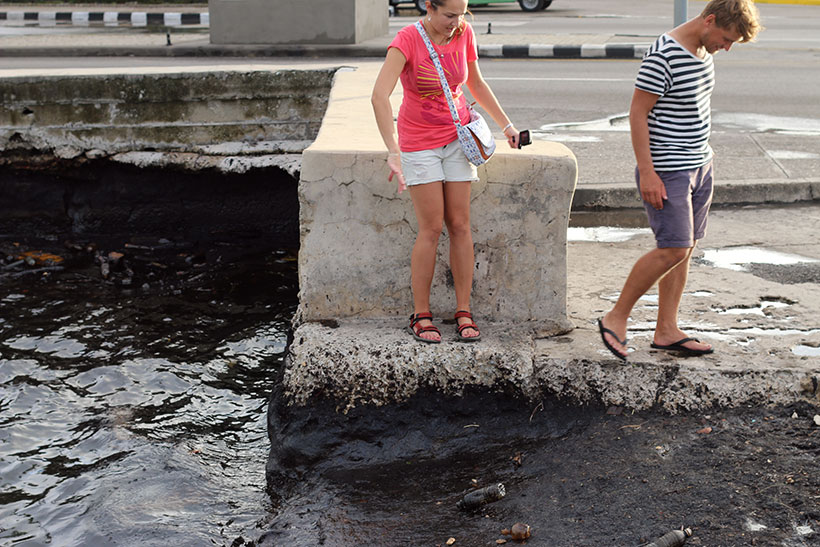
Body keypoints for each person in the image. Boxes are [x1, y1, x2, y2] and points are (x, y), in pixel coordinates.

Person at [598, 0, 762, 360]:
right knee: (671, 248)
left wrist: (705, 156)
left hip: (700, 164)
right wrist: (647, 172)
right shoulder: (665, 54)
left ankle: (667, 330)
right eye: (726, 38)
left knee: (684, 250)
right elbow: (638, 113)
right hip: (668, 169)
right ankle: (616, 316)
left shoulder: (704, 50)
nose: (727, 47)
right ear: (710, 20)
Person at [371, 0, 521, 344]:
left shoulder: (464, 33)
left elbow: (476, 85)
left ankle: (463, 310)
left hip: (457, 138)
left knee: (460, 223)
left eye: (462, 14)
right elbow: (380, 96)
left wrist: (507, 125)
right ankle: (421, 313)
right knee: (432, 226)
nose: (457, 22)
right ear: (429, 7)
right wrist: (393, 152)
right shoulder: (407, 39)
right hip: (419, 142)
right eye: (449, 15)